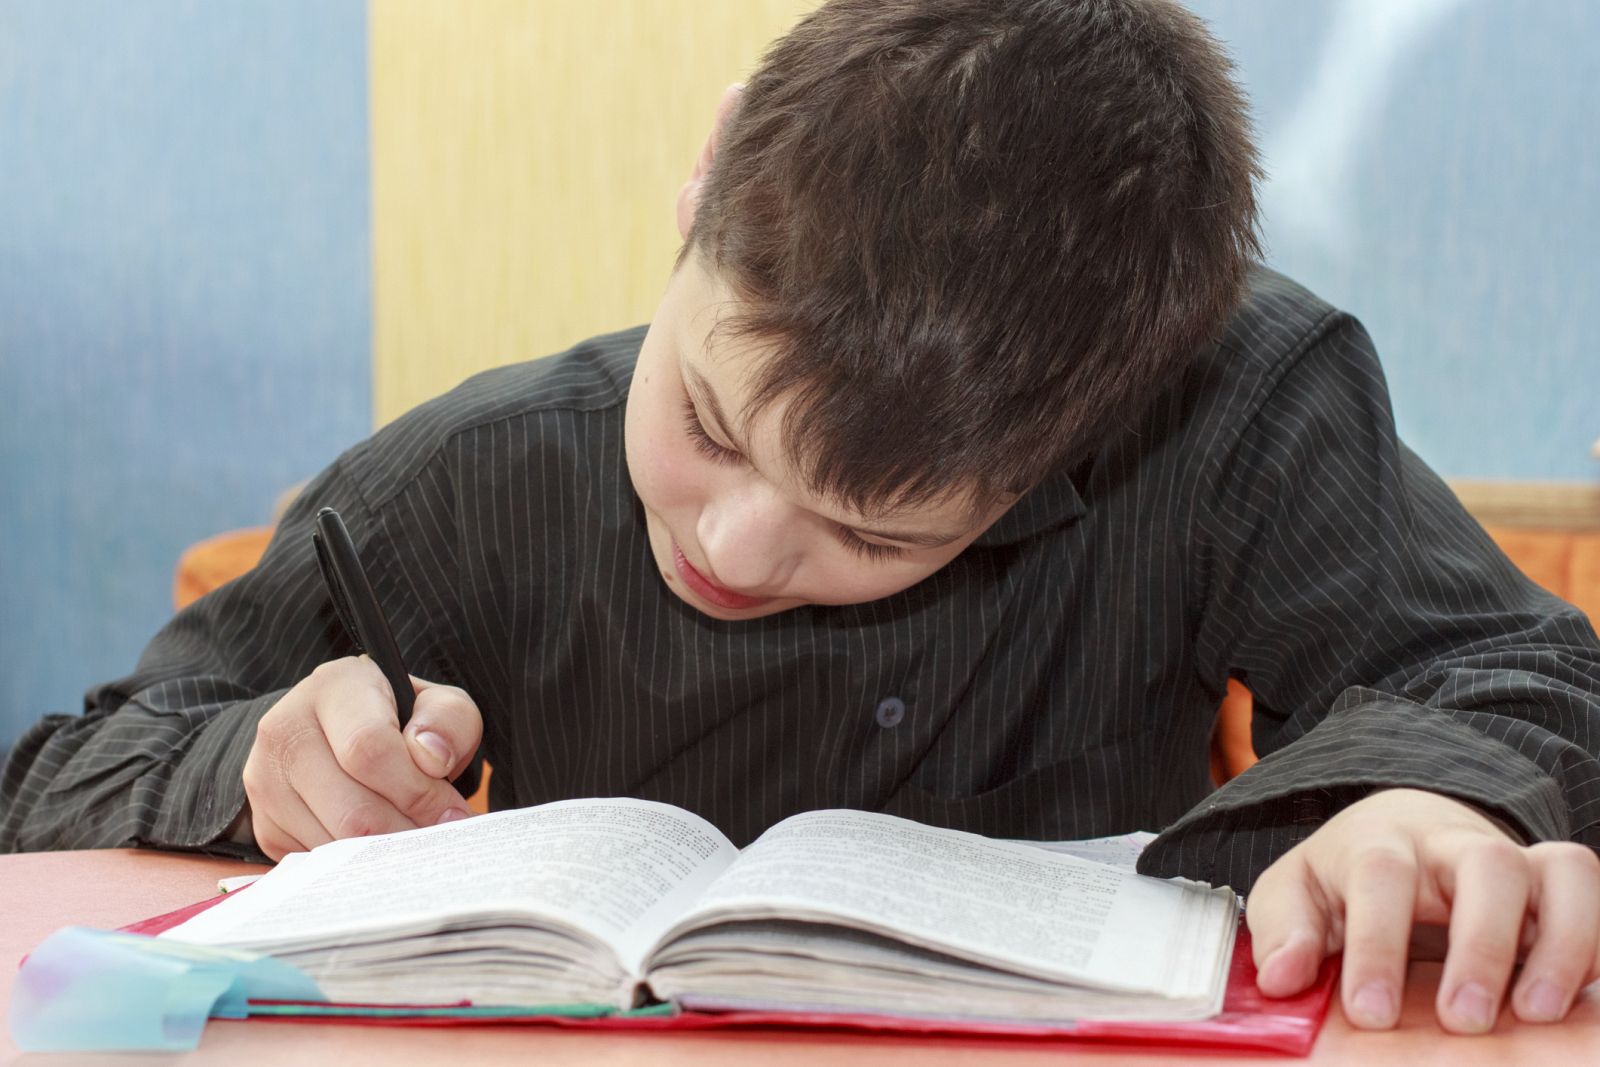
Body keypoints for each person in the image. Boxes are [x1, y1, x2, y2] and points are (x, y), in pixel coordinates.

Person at [4, 0, 1599, 1038]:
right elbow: (55, 777)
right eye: (708, 420)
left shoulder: (1231, 403)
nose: (740, 547)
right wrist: (258, 760)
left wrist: (1428, 799)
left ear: (1094, 429)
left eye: (878, 532)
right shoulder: (477, 475)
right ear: (705, 187)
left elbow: (1534, 681)